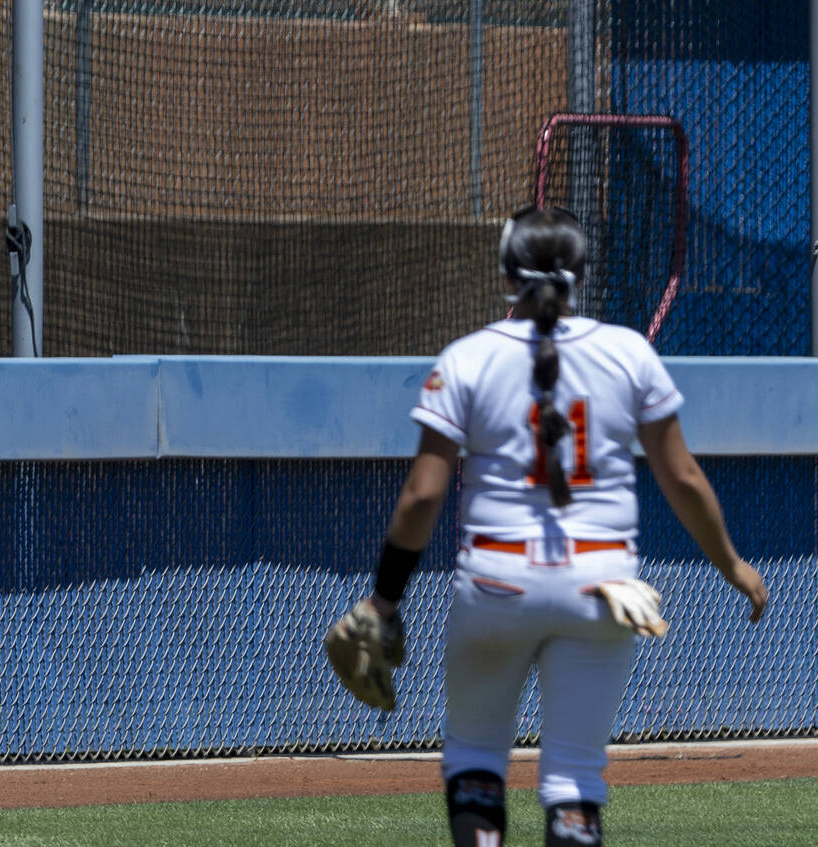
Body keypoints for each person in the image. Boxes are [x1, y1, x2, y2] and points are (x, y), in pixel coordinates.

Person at [323, 206, 767, 846]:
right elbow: (684, 478)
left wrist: (384, 598)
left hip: (497, 583)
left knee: (476, 757)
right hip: (603, 587)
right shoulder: (628, 352)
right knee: (574, 779)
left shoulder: (468, 357)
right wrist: (731, 564)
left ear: (506, 271)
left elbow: (423, 496)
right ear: (581, 273)